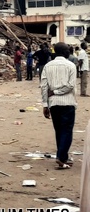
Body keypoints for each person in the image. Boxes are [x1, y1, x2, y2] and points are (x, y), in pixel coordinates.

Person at [41, 42, 77, 170]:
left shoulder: (47, 66)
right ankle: (61, 157)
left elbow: (44, 86)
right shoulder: (71, 65)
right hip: (67, 102)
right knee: (67, 131)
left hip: (53, 103)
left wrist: (45, 104)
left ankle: (63, 156)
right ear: (66, 51)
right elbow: (71, 85)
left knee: (59, 131)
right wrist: (57, 91)